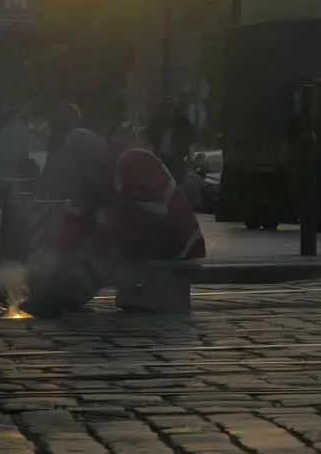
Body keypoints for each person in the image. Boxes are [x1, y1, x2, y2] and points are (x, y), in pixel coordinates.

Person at [14, 128, 205, 317]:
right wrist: (54, 259)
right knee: (89, 248)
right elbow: (74, 221)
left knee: (103, 253)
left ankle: (59, 297)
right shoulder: (93, 179)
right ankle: (56, 294)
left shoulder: (133, 160)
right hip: (143, 240)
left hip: (175, 240)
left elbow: (152, 213)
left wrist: (101, 219)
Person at [147, 96, 196, 182]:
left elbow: (190, 139)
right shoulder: (156, 122)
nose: (167, 110)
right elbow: (149, 139)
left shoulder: (182, 122)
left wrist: (187, 155)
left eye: (169, 107)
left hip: (177, 160)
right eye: (165, 106)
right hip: (161, 159)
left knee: (176, 182)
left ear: (174, 108)